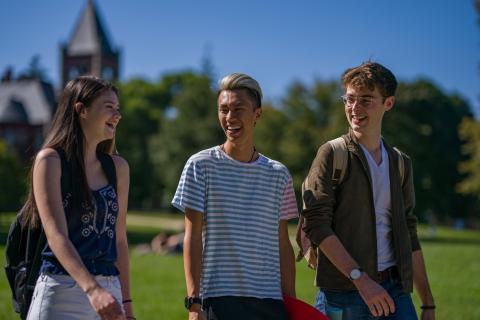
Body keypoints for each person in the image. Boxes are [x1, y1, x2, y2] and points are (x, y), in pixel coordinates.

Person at [302, 62, 435, 319]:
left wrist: (427, 302)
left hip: (396, 290)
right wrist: (361, 280)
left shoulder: (400, 163)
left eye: (366, 100)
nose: (354, 108)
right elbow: (316, 224)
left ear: (388, 103)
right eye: (349, 99)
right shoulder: (332, 153)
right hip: (344, 292)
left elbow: (409, 232)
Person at [172, 73, 298, 320]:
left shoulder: (279, 174)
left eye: (238, 109)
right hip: (218, 299)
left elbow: (283, 244)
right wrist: (194, 304)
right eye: (224, 109)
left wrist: (291, 304)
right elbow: (192, 236)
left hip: (269, 302)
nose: (230, 118)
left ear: (257, 114)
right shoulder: (201, 165)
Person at [22, 76, 134, 320]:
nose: (117, 115)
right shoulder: (50, 161)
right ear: (81, 110)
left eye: (118, 109)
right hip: (62, 290)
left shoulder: (118, 168)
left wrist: (127, 305)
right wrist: (92, 290)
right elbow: (56, 234)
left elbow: (120, 240)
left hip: (110, 291)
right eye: (109, 108)